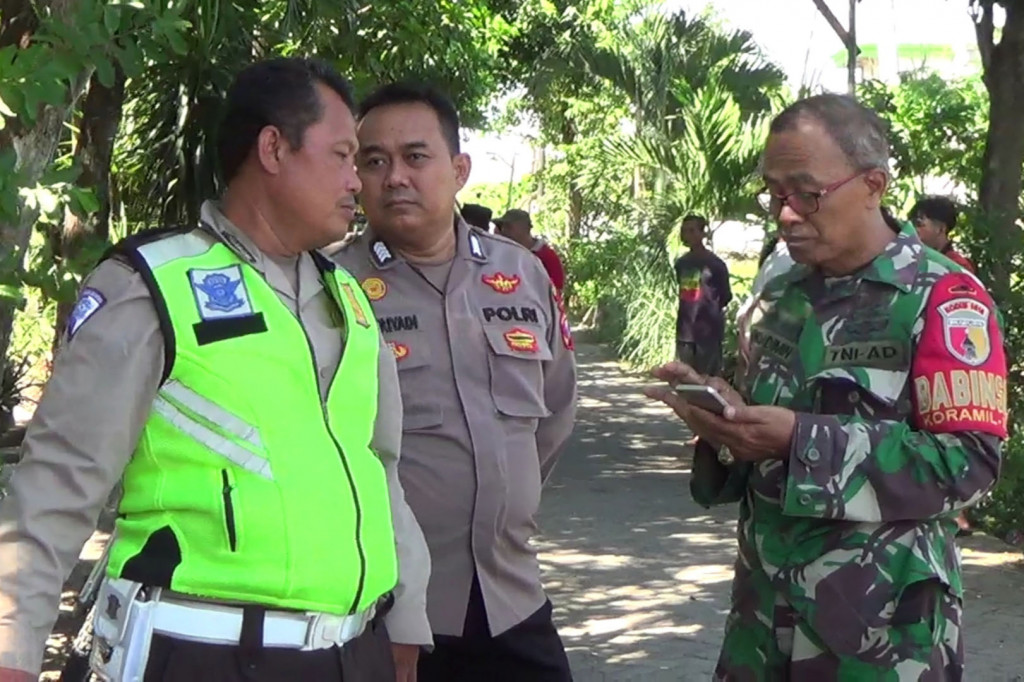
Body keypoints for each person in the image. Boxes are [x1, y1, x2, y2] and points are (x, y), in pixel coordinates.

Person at [0, 58, 432, 682]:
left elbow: (380, 466)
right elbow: (55, 488)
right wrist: (12, 653)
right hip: (203, 654)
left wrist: (406, 618)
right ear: (274, 148)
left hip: (353, 651)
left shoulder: (352, 302)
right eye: (342, 155)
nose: (356, 181)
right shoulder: (151, 287)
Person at [645, 94, 1007, 680]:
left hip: (880, 635)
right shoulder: (785, 295)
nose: (786, 214)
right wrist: (724, 424)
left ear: (873, 185)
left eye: (806, 194)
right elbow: (764, 441)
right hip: (762, 621)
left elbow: (969, 465)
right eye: (774, 194)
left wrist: (799, 441)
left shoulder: (943, 300)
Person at [329, 83, 577, 682]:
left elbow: (554, 412)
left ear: (459, 169)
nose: (394, 177)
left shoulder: (520, 274)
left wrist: (504, 497)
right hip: (395, 612)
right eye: (374, 160)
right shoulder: (331, 287)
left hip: (511, 594)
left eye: (416, 157)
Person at [673, 214, 732, 377]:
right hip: (686, 329)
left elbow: (725, 295)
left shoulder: (716, 265)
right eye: (685, 231)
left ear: (702, 233)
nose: (688, 235)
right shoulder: (681, 263)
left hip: (708, 331)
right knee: (686, 377)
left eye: (692, 231)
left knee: (708, 379)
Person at [494, 208, 566, 292]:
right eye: (502, 227)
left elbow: (557, 287)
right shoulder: (506, 252)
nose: (504, 231)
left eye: (509, 227)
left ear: (526, 228)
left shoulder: (546, 255)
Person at [910, 195, 976, 273]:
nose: (914, 230)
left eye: (919, 224)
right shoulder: (913, 260)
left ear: (940, 229)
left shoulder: (958, 267)